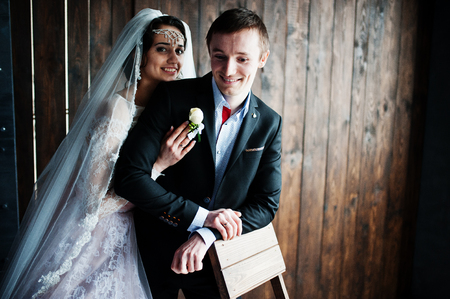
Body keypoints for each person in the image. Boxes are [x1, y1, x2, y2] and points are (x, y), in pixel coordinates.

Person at [0, 9, 196, 299]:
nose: (174, 60)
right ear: (138, 55)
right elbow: (95, 203)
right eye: (162, 49)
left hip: (144, 234)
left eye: (179, 50)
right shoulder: (117, 109)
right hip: (95, 235)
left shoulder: (169, 110)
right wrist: (157, 167)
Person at [114, 7, 282, 299]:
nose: (228, 70)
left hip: (219, 261)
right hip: (151, 255)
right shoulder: (171, 97)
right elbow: (129, 178)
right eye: (219, 56)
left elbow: (266, 204)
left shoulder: (269, 122)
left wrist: (209, 233)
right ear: (208, 52)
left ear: (262, 59)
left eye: (242, 59)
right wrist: (200, 217)